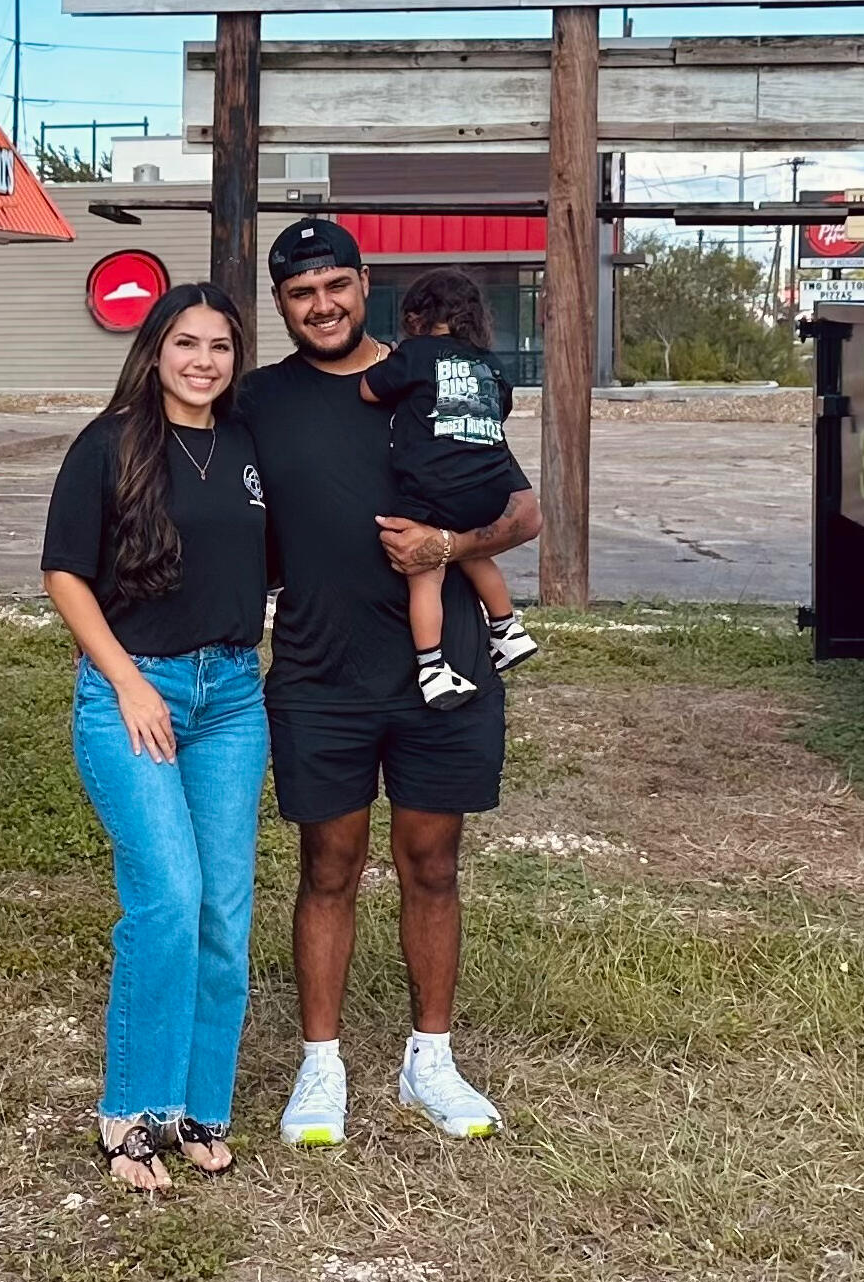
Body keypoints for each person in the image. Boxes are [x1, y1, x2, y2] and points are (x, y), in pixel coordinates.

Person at [236, 220, 542, 1146]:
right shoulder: (257, 400)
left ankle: (430, 1060)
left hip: (439, 671)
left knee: (432, 865)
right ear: (281, 304)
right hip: (319, 673)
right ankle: (319, 1064)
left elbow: (524, 509)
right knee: (326, 867)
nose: (321, 304)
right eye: (300, 292)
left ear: (364, 285)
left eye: (336, 285)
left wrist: (448, 546)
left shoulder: (435, 372)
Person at [41, 283, 269, 1193]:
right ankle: (131, 1111)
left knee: (223, 910)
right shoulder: (109, 443)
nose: (203, 361)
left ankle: (199, 1106)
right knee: (169, 896)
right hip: (136, 689)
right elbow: (64, 573)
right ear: (155, 350)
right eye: (185, 343)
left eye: (219, 346)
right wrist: (130, 681)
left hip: (232, 700)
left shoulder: (250, 448)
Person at [359, 268, 538, 710]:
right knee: (473, 550)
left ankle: (433, 668)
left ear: (417, 316)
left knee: (426, 570)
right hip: (490, 486)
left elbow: (368, 390)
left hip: (433, 489)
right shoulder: (490, 363)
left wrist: (392, 362)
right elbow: (504, 406)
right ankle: (507, 628)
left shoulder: (417, 354)